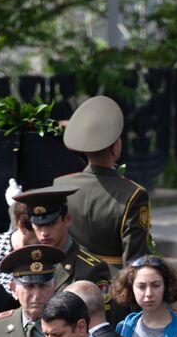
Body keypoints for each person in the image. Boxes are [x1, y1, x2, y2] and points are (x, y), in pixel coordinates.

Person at [57, 95, 151, 268]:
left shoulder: (60, 186)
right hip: (111, 286)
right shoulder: (134, 195)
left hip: (67, 281)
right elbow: (135, 260)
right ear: (115, 148)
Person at [13, 185, 113, 303]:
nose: (44, 233)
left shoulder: (90, 269)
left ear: (67, 219)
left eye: (52, 223)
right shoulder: (27, 262)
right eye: (39, 225)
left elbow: (102, 315)